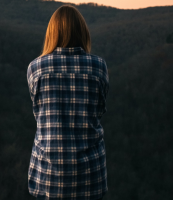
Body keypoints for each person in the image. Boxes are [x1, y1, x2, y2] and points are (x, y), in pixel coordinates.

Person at [27, 4, 109, 200]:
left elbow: (38, 114)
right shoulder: (99, 67)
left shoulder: (35, 68)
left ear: (51, 33)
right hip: (90, 175)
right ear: (83, 32)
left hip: (48, 175)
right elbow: (99, 111)